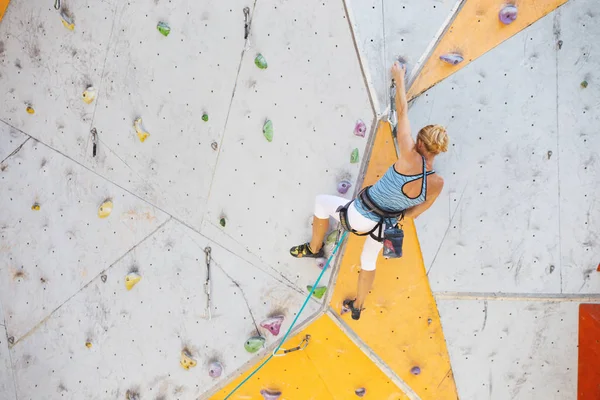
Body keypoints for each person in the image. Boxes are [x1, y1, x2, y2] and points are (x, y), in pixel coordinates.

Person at [289, 61, 448, 320]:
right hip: (384, 228)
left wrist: (399, 78)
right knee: (368, 263)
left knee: (320, 203)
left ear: (420, 142)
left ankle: (315, 247)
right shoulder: (437, 183)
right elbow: (413, 214)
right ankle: (358, 306)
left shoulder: (408, 153)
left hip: (359, 215)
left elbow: (403, 113)